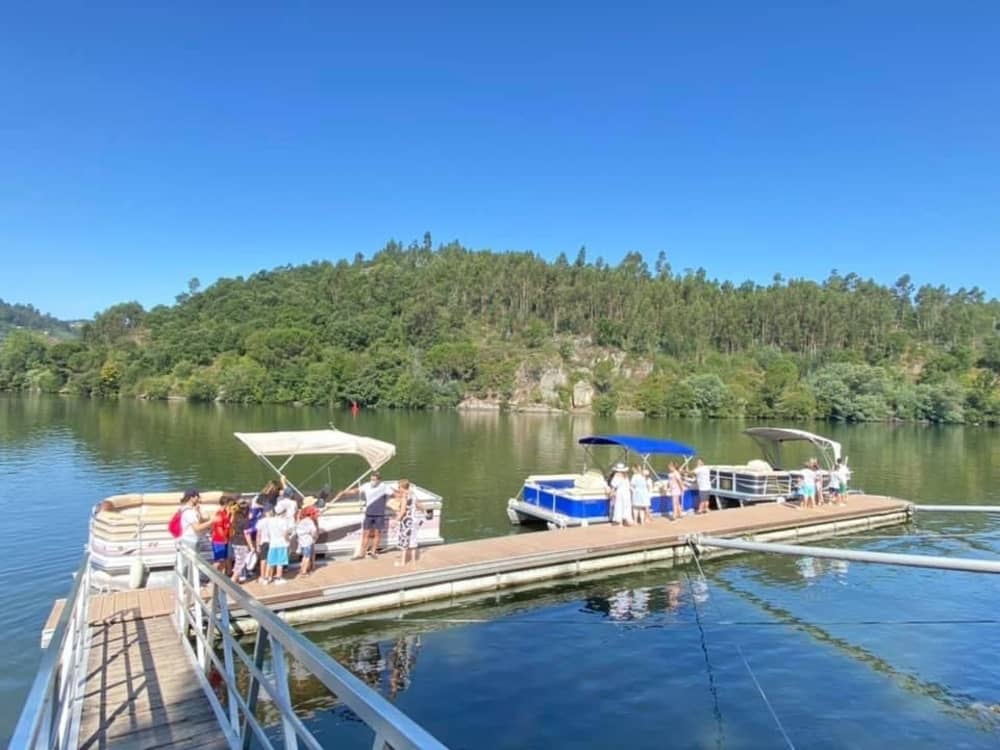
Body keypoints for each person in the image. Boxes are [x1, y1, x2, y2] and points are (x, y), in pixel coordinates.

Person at [356, 471, 391, 559]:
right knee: (365, 534)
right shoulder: (367, 485)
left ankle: (373, 552)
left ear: (379, 480)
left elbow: (394, 494)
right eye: (371, 479)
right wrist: (344, 492)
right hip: (369, 513)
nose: (372, 481)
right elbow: (356, 491)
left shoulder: (384, 487)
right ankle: (361, 553)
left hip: (379, 514)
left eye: (374, 480)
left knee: (377, 534)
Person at [394, 479, 424, 567]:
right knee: (413, 541)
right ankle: (414, 562)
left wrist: (396, 520)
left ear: (402, 487)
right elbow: (419, 506)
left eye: (399, 487)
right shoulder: (413, 494)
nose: (398, 489)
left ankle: (403, 562)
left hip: (406, 521)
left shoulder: (404, 497)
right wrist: (423, 512)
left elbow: (403, 511)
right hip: (414, 520)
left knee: (404, 541)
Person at [261, 506, 290, 585]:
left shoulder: (270, 521)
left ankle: (266, 578)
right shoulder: (283, 521)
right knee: (280, 562)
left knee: (270, 562)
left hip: (273, 543)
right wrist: (288, 540)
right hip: (281, 543)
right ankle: (278, 578)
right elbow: (285, 534)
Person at [230, 498, 254, 583]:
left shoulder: (235, 517)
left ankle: (236, 578)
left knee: (237, 560)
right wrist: (251, 547)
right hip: (242, 543)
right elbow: (247, 534)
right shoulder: (245, 521)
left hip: (235, 541)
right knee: (241, 563)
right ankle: (233, 579)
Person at [209, 495, 235, 574]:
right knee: (219, 561)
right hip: (219, 540)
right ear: (226, 504)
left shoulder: (225, 513)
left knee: (223, 560)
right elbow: (219, 528)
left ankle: (220, 576)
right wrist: (224, 539)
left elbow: (228, 524)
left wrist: (231, 514)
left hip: (224, 539)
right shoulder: (219, 514)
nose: (231, 507)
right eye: (230, 505)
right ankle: (212, 575)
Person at [295, 508, 318, 577]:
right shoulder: (310, 521)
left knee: (304, 557)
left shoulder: (302, 521)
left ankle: (301, 570)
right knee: (307, 557)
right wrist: (314, 537)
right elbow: (314, 531)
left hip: (302, 542)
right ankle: (304, 572)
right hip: (308, 541)